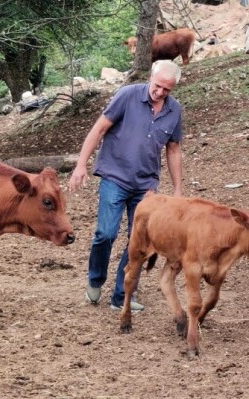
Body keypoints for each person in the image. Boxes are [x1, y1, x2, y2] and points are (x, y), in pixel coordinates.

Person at [68, 60, 184, 312]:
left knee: (139, 242)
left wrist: (177, 191)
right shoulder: (127, 95)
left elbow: (173, 150)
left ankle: (123, 294)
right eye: (158, 86)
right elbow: (99, 129)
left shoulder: (174, 111)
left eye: (167, 89)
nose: (160, 92)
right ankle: (96, 278)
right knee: (106, 233)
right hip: (115, 176)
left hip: (146, 184)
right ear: (151, 78)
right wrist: (81, 165)